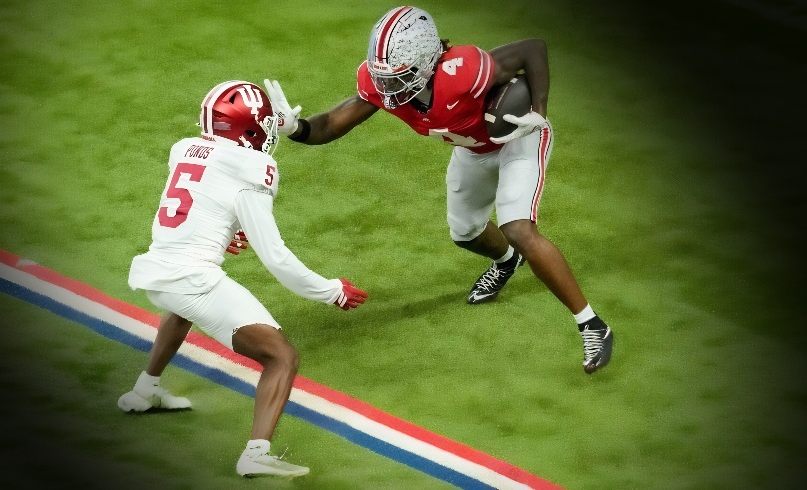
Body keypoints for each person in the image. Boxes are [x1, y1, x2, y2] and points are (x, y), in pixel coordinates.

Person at [263, 6, 613, 374]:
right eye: (383, 76)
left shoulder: (463, 71)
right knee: (465, 232)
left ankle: (592, 324)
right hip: (472, 148)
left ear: (427, 60)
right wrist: (296, 129)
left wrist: (539, 109)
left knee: (518, 227)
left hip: (518, 138)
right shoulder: (381, 86)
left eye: (399, 75)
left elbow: (532, 48)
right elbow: (333, 124)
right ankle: (508, 261)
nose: (388, 87)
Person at [117, 80, 369, 478]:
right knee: (281, 356)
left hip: (158, 271)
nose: (270, 132)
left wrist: (227, 228)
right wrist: (329, 291)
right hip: (191, 278)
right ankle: (256, 452)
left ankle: (144, 390)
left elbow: (203, 199)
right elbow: (276, 257)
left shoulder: (185, 148)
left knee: (179, 308)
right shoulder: (254, 166)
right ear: (249, 127)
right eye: (265, 123)